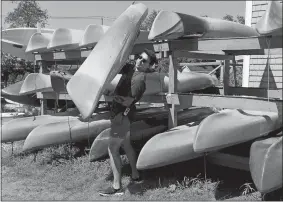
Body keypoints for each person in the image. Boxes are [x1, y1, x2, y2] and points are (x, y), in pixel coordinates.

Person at [99, 49, 158, 196]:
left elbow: (128, 101)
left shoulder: (140, 80)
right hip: (120, 114)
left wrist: (113, 95)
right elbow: (117, 63)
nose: (139, 61)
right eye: (139, 57)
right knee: (126, 144)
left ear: (149, 65)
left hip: (122, 116)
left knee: (112, 149)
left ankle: (116, 187)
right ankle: (135, 174)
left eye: (144, 60)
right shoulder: (131, 68)